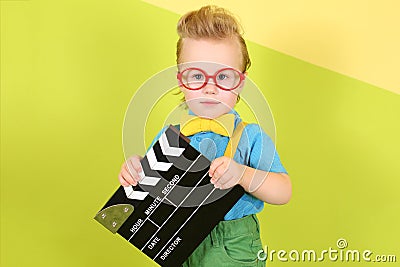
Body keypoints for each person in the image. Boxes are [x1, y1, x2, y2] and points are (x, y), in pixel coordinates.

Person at [118, 5, 291, 267]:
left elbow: (283, 191)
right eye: (197, 75)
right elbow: (151, 187)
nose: (210, 88)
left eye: (223, 76)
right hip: (177, 238)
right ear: (181, 81)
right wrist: (135, 170)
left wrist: (242, 175)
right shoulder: (171, 137)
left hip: (232, 244)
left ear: (240, 82)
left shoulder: (250, 136)